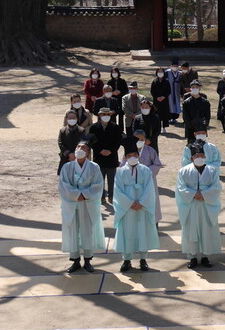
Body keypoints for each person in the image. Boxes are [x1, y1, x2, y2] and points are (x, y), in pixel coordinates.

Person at [58, 140, 105, 274]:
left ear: (88, 152)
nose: (79, 148)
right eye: (78, 146)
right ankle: (75, 260)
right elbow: (63, 185)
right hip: (71, 203)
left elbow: (98, 185)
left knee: (87, 230)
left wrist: (84, 194)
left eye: (83, 147)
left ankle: (88, 260)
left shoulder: (94, 167)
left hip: (87, 203)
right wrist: (75, 195)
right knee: (73, 229)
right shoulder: (67, 167)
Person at [113, 138, 159, 273]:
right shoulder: (121, 171)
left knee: (142, 232)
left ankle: (143, 259)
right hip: (127, 209)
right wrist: (129, 203)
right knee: (127, 232)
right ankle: (126, 259)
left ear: (138, 156)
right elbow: (118, 190)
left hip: (142, 207)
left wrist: (142, 202)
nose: (132, 157)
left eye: (134, 155)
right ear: (125, 157)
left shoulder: (145, 170)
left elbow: (150, 189)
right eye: (129, 156)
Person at [176, 141, 222, 269]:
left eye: (202, 155)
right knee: (191, 230)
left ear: (205, 157)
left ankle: (205, 256)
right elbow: (180, 187)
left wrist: (204, 194)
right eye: (196, 156)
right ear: (191, 158)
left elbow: (216, 187)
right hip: (191, 206)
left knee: (206, 230)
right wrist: (193, 194)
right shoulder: (184, 171)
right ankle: (192, 256)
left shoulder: (212, 171)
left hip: (206, 205)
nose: (199, 158)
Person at [122, 128, 163, 225]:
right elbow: (123, 166)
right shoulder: (129, 151)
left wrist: (146, 172)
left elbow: (157, 164)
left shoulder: (150, 150)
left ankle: (153, 225)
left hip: (148, 181)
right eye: (137, 139)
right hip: (133, 182)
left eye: (141, 139)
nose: (139, 141)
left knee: (150, 202)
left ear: (145, 140)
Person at [88, 107, 123, 204]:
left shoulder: (115, 127)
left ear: (110, 115)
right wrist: (100, 150)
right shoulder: (94, 127)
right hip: (99, 157)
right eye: (103, 114)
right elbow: (92, 142)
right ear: (99, 115)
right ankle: (101, 196)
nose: (105, 116)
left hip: (111, 157)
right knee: (99, 179)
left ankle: (111, 196)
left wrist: (110, 150)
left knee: (111, 179)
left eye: (107, 114)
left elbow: (118, 141)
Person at [182, 79, 210, 143]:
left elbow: (207, 116)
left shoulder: (205, 102)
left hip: (201, 128)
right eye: (193, 87)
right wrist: (191, 125)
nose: (195, 89)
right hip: (190, 128)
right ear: (190, 88)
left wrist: (203, 125)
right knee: (191, 146)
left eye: (196, 87)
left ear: (199, 88)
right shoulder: (186, 103)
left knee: (202, 146)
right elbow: (185, 117)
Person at [150, 67, 171, 131]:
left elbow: (169, 91)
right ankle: (157, 127)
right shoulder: (154, 81)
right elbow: (152, 91)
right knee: (157, 113)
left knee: (164, 113)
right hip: (156, 100)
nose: (160, 73)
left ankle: (164, 127)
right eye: (159, 72)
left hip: (164, 100)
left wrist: (163, 97)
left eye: (161, 72)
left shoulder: (166, 81)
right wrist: (157, 97)